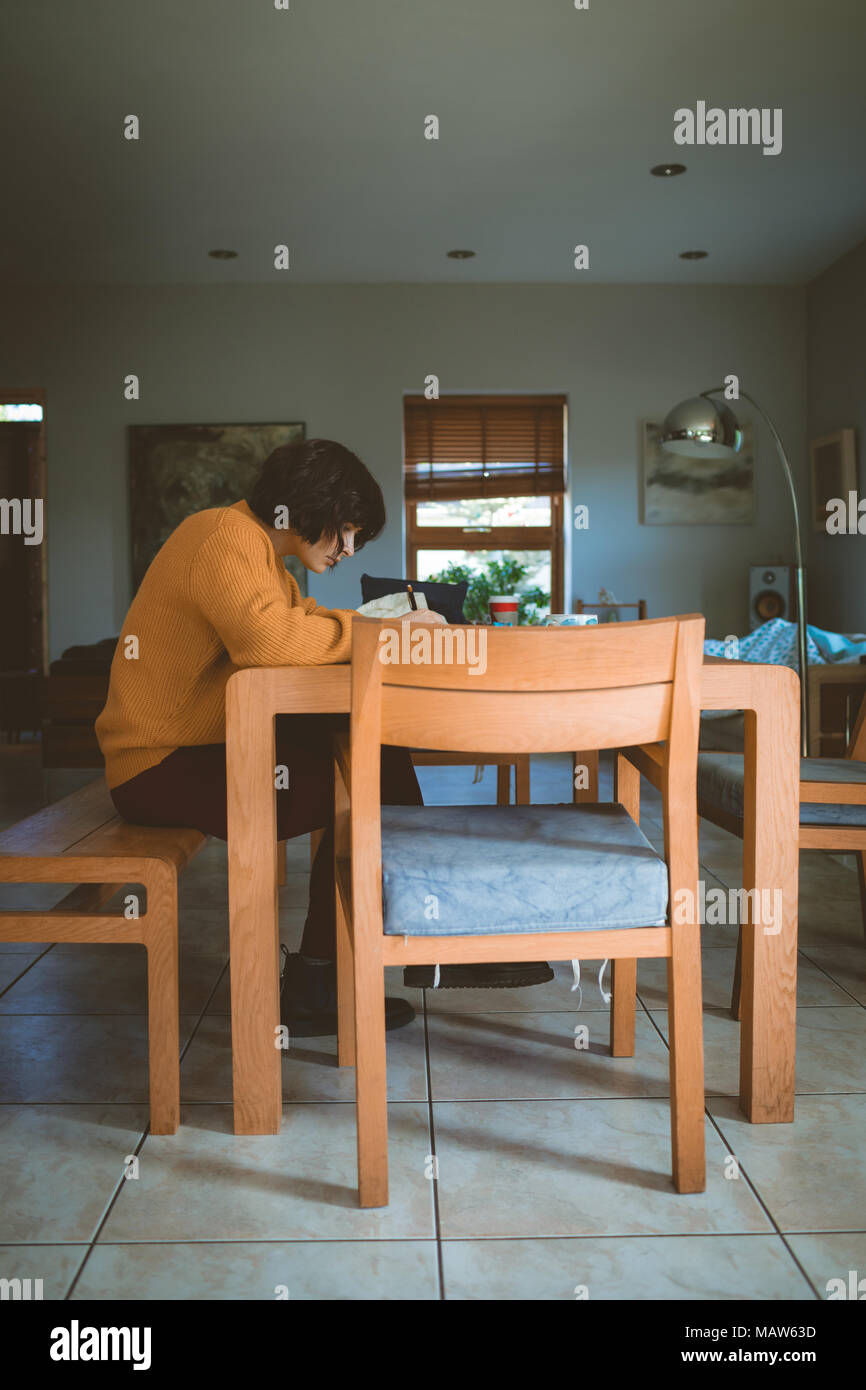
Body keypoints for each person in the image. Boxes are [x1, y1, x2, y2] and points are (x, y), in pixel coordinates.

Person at [96, 438, 552, 1037]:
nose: (349, 550)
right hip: (157, 770)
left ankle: (339, 973)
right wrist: (385, 632)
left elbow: (300, 624)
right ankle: (417, 942)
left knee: (370, 753)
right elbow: (269, 643)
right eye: (346, 531)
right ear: (310, 504)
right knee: (363, 783)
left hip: (194, 753)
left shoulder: (261, 556)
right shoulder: (222, 536)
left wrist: (381, 626)